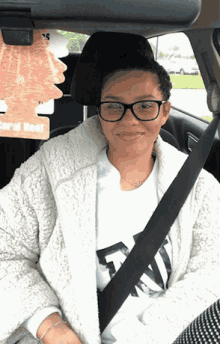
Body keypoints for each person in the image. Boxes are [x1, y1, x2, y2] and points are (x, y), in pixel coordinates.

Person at [0, 31, 220, 344]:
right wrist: (50, 327)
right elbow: (3, 251)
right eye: (115, 107)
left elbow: (213, 275)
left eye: (144, 106)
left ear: (165, 112)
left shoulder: (200, 188)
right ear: (101, 112)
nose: (129, 121)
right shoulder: (49, 172)